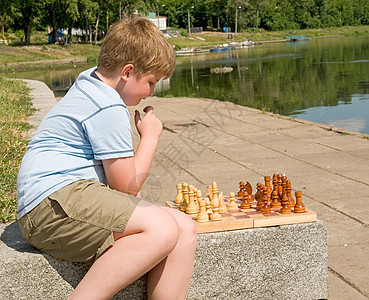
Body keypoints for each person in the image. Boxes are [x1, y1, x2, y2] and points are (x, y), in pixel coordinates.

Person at [17, 16, 197, 300]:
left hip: (57, 201)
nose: (152, 92)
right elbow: (127, 187)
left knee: (184, 227)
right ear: (127, 72)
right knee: (161, 227)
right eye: (151, 82)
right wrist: (150, 136)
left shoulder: (92, 81)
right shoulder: (106, 106)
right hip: (50, 205)